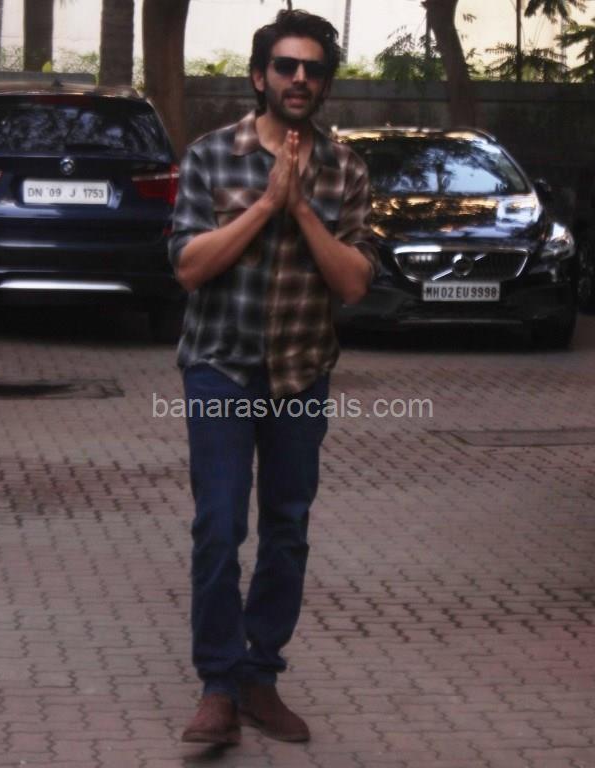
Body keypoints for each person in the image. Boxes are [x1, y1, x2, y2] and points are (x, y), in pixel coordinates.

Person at [168, 9, 377, 747]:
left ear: (325, 84)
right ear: (260, 77)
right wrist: (265, 204)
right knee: (220, 526)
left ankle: (261, 677)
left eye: (313, 69)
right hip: (220, 368)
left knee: (287, 529)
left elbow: (353, 283)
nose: (299, 78)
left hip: (300, 373)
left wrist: (301, 209)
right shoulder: (210, 156)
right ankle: (219, 687)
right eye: (286, 66)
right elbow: (188, 267)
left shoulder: (346, 169)